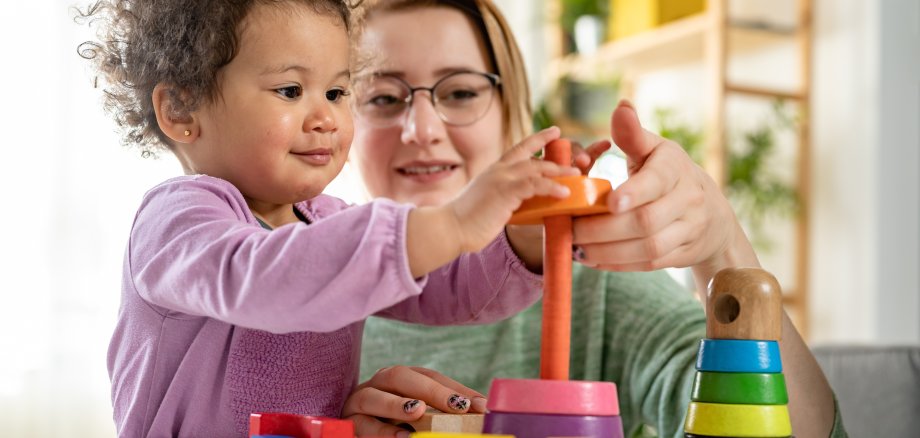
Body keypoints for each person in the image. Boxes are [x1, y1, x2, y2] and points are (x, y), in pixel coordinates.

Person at [342, 1, 847, 437]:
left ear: (509, 108)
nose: (423, 128)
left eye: (461, 93)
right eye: (383, 97)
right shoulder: (290, 288)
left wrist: (722, 250)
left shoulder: (595, 290)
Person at [78, 0, 582, 436]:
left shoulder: (326, 222)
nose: (325, 118)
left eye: (338, 93)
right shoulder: (177, 220)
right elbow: (267, 278)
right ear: (182, 109)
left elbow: (444, 283)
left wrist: (523, 239)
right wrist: (449, 224)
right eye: (291, 91)